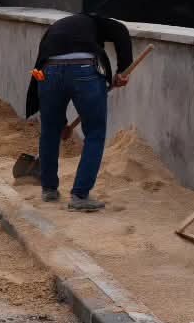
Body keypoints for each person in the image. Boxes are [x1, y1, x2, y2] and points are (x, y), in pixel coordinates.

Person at [24, 12, 132, 212]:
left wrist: (60, 123)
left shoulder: (55, 29)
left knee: (50, 131)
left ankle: (49, 189)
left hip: (48, 72)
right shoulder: (95, 21)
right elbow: (121, 30)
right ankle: (80, 195)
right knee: (95, 133)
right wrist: (122, 69)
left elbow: (41, 65)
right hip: (85, 70)